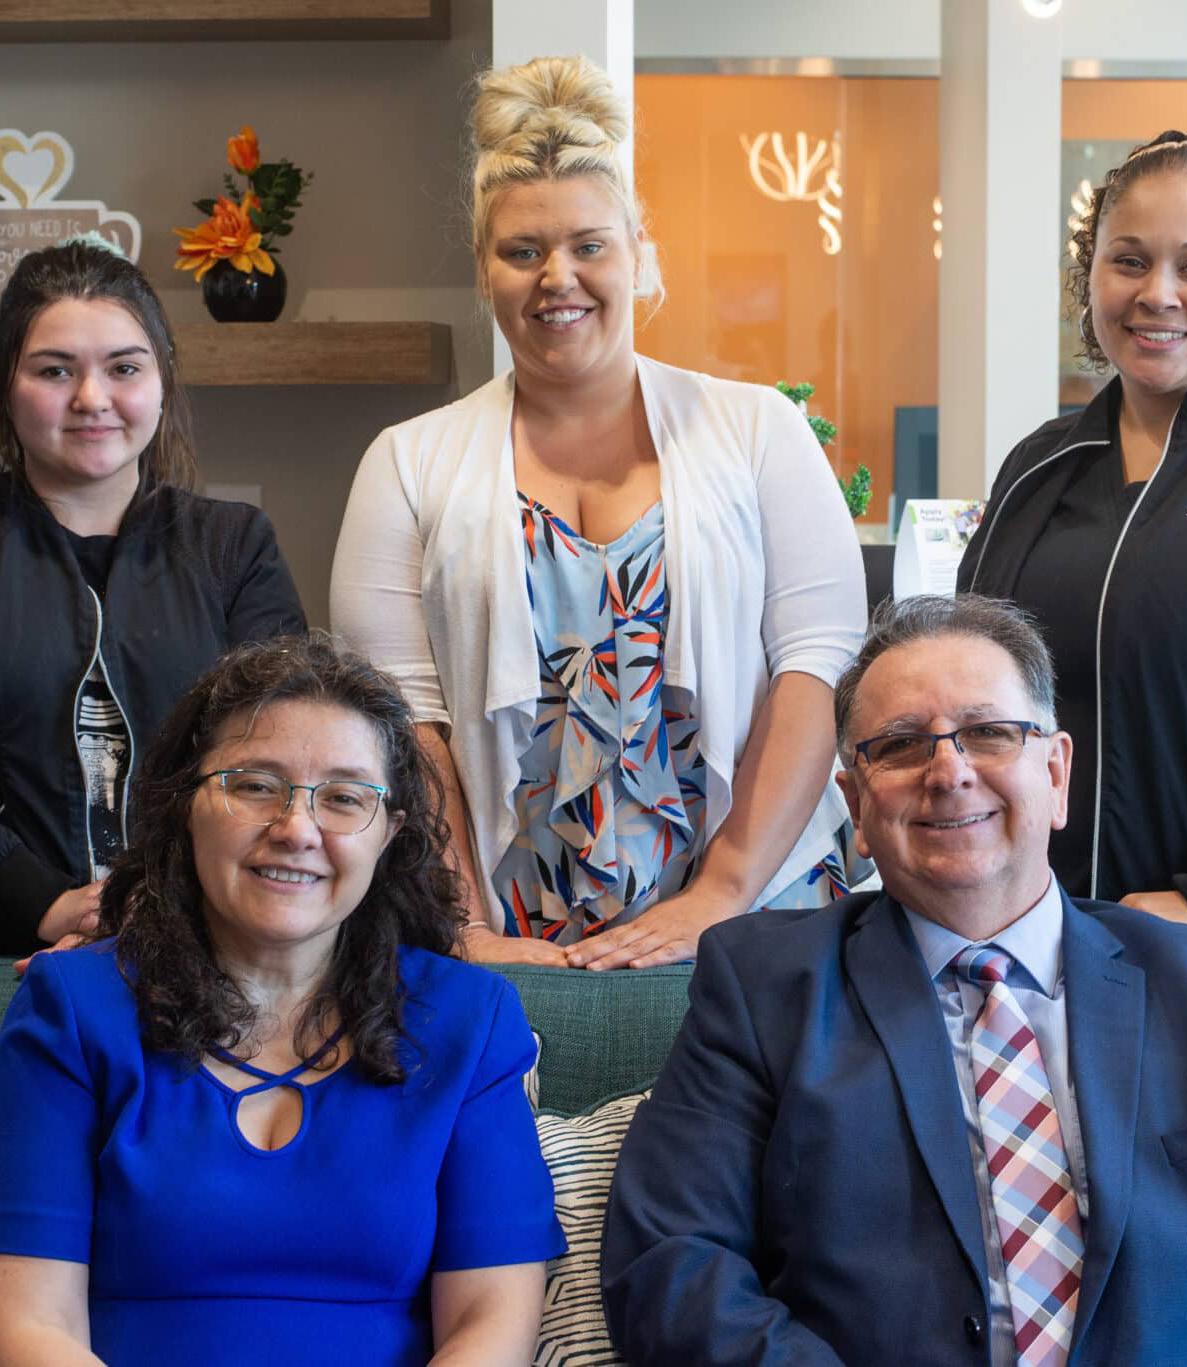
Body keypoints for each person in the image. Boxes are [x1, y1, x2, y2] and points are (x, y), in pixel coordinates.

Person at [603, 594, 1187, 1366]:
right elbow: (671, 1265)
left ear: (1056, 773)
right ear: (856, 805)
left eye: (988, 732)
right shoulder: (758, 988)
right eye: (900, 745)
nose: (949, 771)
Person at [331, 55, 867, 971]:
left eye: (589, 245)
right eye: (522, 251)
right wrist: (468, 931)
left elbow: (817, 670)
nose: (558, 277)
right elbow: (402, 723)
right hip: (508, 933)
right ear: (484, 270)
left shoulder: (760, 430)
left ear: (637, 253)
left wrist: (720, 894)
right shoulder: (407, 463)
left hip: (762, 913)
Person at [0, 635, 565, 1365]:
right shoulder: (71, 1008)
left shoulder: (470, 1020)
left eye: (344, 798)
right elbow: (30, 1324)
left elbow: (492, 1324)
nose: (297, 829)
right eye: (255, 786)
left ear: (389, 833)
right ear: (187, 805)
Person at [957, 129, 1187, 942]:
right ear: (1090, 273)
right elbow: (967, 691)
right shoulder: (1037, 467)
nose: (1157, 294)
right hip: (1025, 943)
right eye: (1129, 260)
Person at [0, 238, 305, 958]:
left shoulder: (235, 545)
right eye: (54, 370)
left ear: (162, 381)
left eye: (124, 368)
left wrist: (162, 907)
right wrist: (45, 905)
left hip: (208, 942)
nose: (92, 398)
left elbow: (283, 755)